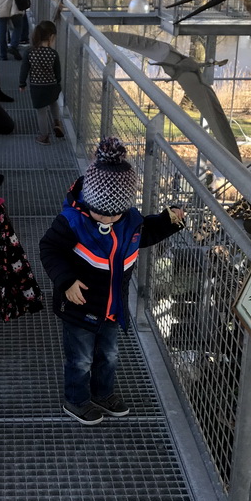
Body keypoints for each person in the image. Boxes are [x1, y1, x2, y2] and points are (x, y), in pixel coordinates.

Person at [39, 137, 185, 426]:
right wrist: (66, 281)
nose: (107, 219)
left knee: (109, 354)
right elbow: (49, 249)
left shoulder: (128, 220)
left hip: (112, 307)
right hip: (79, 306)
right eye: (101, 212)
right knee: (80, 359)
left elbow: (145, 233)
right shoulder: (73, 222)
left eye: (114, 213)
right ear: (88, 200)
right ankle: (77, 400)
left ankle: (103, 393)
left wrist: (170, 221)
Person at [19, 20, 63, 145]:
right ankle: (57, 123)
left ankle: (44, 136)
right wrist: (58, 84)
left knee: (41, 111)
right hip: (52, 85)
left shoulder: (30, 52)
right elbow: (57, 72)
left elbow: (24, 69)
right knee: (53, 102)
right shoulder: (53, 54)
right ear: (51, 37)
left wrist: (22, 83)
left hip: (37, 87)